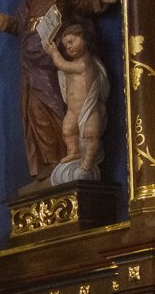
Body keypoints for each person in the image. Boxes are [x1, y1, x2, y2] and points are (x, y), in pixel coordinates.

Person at [0, 0, 117, 183]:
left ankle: (69, 156)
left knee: (58, 104)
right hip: (30, 60)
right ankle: (48, 163)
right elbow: (21, 26)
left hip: (53, 59)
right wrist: (2, 20)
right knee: (35, 112)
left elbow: (82, 4)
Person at [40, 21, 110, 184]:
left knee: (91, 135)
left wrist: (54, 52)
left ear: (84, 39)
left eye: (71, 41)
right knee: (67, 131)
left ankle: (88, 161)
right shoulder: (74, 64)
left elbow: (62, 65)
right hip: (72, 110)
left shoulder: (85, 63)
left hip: (88, 109)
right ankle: (74, 152)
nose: (69, 47)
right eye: (66, 46)